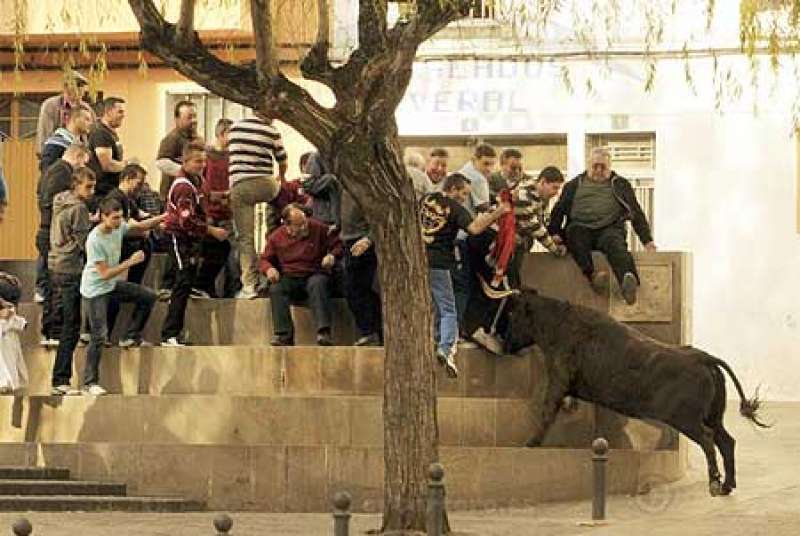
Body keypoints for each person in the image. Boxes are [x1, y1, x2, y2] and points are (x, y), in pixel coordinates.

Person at [420, 173, 509, 378]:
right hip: (439, 263)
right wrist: (499, 212)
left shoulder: (425, 200)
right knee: (448, 308)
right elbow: (475, 228)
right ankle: (447, 349)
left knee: (432, 305)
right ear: (453, 189)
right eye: (463, 193)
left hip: (418, 261)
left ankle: (433, 339)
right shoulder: (455, 208)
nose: (464, 198)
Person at [548, 147, 656, 305]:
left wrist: (647, 241)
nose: (599, 170)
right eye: (595, 166)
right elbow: (558, 210)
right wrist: (555, 232)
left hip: (609, 228)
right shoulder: (573, 185)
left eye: (603, 167)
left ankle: (628, 280)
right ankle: (592, 275)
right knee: (574, 234)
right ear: (588, 165)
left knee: (615, 245)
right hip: (580, 227)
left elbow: (636, 212)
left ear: (610, 167)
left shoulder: (620, 184)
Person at [80, 198, 164, 395]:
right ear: (103, 217)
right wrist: (131, 262)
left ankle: (130, 336)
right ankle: (89, 382)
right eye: (114, 218)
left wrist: (165, 216)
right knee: (99, 335)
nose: (118, 222)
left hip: (111, 284)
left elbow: (141, 226)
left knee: (148, 297)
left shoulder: (118, 228)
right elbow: (104, 273)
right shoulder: (94, 240)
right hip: (95, 290)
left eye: (120, 218)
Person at [160, 143, 230, 346]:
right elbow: (186, 221)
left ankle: (201, 284)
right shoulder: (183, 186)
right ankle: (169, 333)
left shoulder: (197, 180)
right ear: (185, 162)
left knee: (221, 248)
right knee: (182, 282)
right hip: (179, 237)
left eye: (204, 161)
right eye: (198, 161)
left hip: (192, 236)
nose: (202, 164)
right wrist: (211, 230)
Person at [260, 205, 342, 346]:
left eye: (305, 222)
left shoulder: (317, 227)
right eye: (300, 225)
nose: (305, 227)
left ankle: (323, 332)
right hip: (290, 276)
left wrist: (331, 256)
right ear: (288, 226)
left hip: (314, 273)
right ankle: (284, 334)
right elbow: (264, 259)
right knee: (276, 289)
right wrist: (269, 269)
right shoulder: (276, 237)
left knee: (318, 284)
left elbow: (338, 244)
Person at [36, 144, 91, 347]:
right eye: (83, 162)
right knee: (57, 291)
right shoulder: (62, 173)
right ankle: (54, 332)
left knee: (55, 288)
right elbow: (57, 211)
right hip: (55, 238)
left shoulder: (51, 170)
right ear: (77, 156)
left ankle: (53, 331)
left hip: (51, 235)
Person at [228, 114, 286, 299]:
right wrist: (281, 178)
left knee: (245, 238)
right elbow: (282, 160)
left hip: (240, 185)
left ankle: (249, 284)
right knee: (277, 218)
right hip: (266, 184)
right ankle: (273, 233)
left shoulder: (235, 128)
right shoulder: (272, 130)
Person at [49, 167, 96, 395]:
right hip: (71, 269)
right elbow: (84, 243)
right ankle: (61, 379)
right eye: (88, 186)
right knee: (71, 326)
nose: (91, 191)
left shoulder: (60, 201)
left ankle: (61, 378)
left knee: (68, 323)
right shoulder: (78, 208)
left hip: (56, 266)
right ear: (75, 185)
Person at [452, 143, 495, 337]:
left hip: (456, 238)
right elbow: (484, 212)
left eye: (491, 165)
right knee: (469, 287)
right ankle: (468, 328)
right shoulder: (477, 179)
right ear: (475, 160)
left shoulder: (461, 173)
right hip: (467, 238)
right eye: (485, 164)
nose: (488, 169)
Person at [203, 118, 241, 298]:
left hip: (228, 212)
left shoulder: (234, 158)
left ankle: (231, 291)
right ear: (223, 133)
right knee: (211, 254)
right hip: (209, 212)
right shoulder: (206, 157)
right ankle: (206, 287)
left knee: (233, 254)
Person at [340, 190, 381, 346]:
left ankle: (371, 330)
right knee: (355, 288)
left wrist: (369, 239)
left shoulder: (367, 188)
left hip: (363, 240)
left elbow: (379, 217)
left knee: (358, 288)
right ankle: (371, 330)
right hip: (348, 239)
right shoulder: (344, 185)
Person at [35, 71, 95, 154]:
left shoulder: (87, 109)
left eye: (82, 86)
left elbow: (92, 135)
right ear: (65, 87)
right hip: (55, 155)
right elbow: (45, 135)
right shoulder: (50, 106)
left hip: (80, 157)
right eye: (77, 85)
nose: (81, 89)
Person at [156, 100, 200, 199]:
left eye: (195, 116)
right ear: (177, 119)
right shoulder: (172, 138)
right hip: (174, 196)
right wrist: (185, 171)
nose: (193, 120)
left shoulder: (197, 139)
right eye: (189, 117)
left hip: (192, 194)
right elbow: (161, 162)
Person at [87, 97, 127, 198]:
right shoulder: (101, 133)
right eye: (120, 112)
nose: (123, 116)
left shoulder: (111, 133)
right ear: (108, 112)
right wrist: (128, 165)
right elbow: (107, 165)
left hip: (111, 189)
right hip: (102, 192)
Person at [39, 106, 93, 173]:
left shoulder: (81, 143)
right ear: (75, 119)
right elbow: (46, 169)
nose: (91, 124)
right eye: (87, 119)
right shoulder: (56, 142)